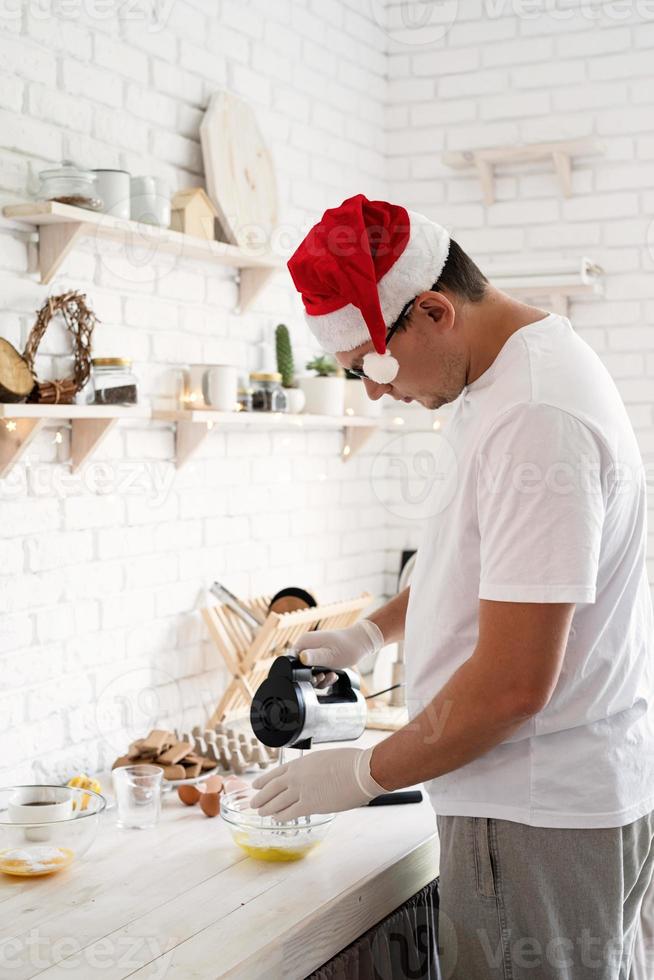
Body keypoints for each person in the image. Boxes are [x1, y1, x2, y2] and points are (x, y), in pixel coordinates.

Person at [250, 195, 654, 979]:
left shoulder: (536, 414)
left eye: (373, 365)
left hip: (534, 815)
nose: (373, 392)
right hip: (541, 807)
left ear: (433, 310)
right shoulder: (501, 382)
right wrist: (374, 631)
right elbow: (487, 570)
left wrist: (362, 774)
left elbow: (510, 688)